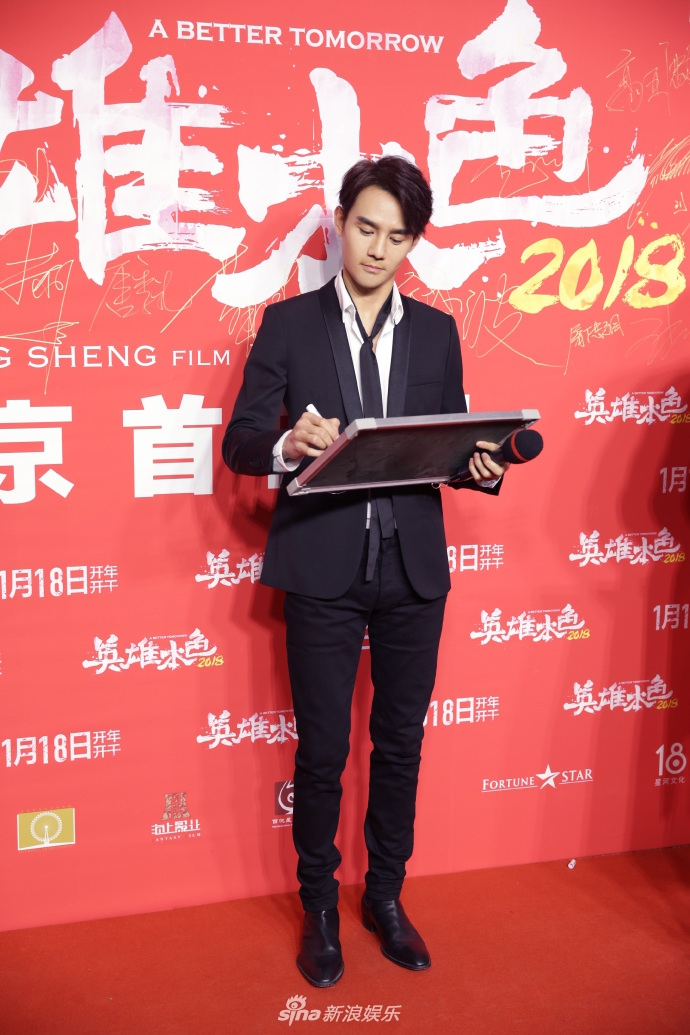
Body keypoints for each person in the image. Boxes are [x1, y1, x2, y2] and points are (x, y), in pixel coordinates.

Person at [223, 156, 508, 987]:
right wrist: (288, 442)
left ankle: (385, 894)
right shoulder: (287, 325)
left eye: (397, 236)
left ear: (413, 243)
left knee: (401, 743)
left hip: (414, 569)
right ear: (340, 224)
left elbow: (448, 444)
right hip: (323, 565)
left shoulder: (437, 332)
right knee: (322, 750)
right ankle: (319, 904)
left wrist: (478, 467)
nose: (378, 249)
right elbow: (240, 442)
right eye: (366, 228)